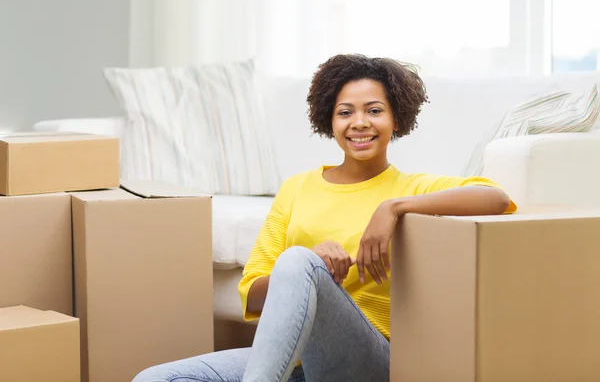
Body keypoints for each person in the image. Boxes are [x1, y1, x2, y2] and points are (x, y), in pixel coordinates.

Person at [132, 54, 516, 382]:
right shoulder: (297, 187)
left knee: (299, 260)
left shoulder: (412, 188)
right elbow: (252, 291)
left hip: (367, 360)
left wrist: (392, 208)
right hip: (293, 360)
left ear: (396, 120)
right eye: (345, 112)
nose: (360, 122)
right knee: (153, 379)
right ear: (329, 122)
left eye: (374, 111)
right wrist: (309, 275)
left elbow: (496, 198)